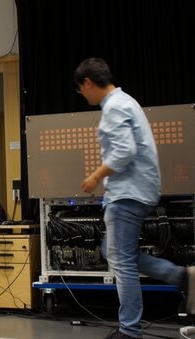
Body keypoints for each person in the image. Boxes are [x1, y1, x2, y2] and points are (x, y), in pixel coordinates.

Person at [74, 57, 194, 339]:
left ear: (88, 83)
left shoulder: (114, 106)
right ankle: (182, 277)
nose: (83, 95)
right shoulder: (127, 100)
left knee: (120, 260)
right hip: (141, 189)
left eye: (81, 89)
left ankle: (130, 330)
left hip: (127, 193)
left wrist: (94, 176)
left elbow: (124, 151)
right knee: (115, 252)